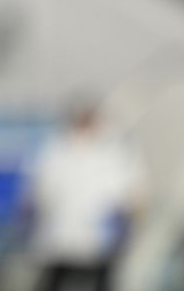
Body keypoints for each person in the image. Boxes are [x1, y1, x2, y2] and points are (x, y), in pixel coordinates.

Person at [28, 104, 146, 291]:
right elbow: (38, 191)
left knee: (101, 281)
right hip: (59, 239)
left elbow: (132, 194)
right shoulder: (56, 150)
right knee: (54, 281)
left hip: (100, 240)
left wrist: (127, 226)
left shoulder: (114, 153)